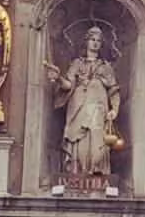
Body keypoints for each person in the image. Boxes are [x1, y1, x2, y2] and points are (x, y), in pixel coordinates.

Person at [47, 26, 121, 176]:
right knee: (78, 139)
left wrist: (115, 109)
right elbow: (68, 85)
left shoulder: (106, 67)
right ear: (86, 42)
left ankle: (97, 171)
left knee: (97, 140)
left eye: (98, 41)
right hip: (78, 106)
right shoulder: (77, 64)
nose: (95, 43)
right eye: (92, 40)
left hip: (98, 107)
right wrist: (58, 77)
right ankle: (77, 172)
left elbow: (113, 90)